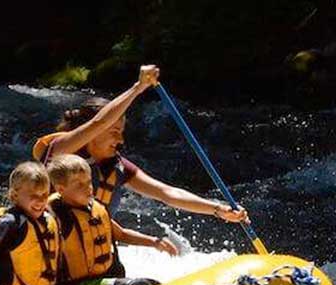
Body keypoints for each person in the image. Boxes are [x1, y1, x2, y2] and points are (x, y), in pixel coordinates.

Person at [33, 65, 250, 222]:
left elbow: (168, 193)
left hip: (91, 256)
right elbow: (100, 121)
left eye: (122, 132)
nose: (120, 139)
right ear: (92, 133)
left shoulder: (118, 168)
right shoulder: (60, 153)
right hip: (52, 260)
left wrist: (218, 209)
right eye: (115, 131)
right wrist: (138, 87)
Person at [47, 154, 176, 285]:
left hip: (102, 280)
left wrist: (154, 242)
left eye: (88, 182)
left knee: (150, 284)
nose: (87, 188)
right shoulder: (54, 216)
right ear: (61, 189)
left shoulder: (95, 208)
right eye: (79, 184)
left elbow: (120, 234)